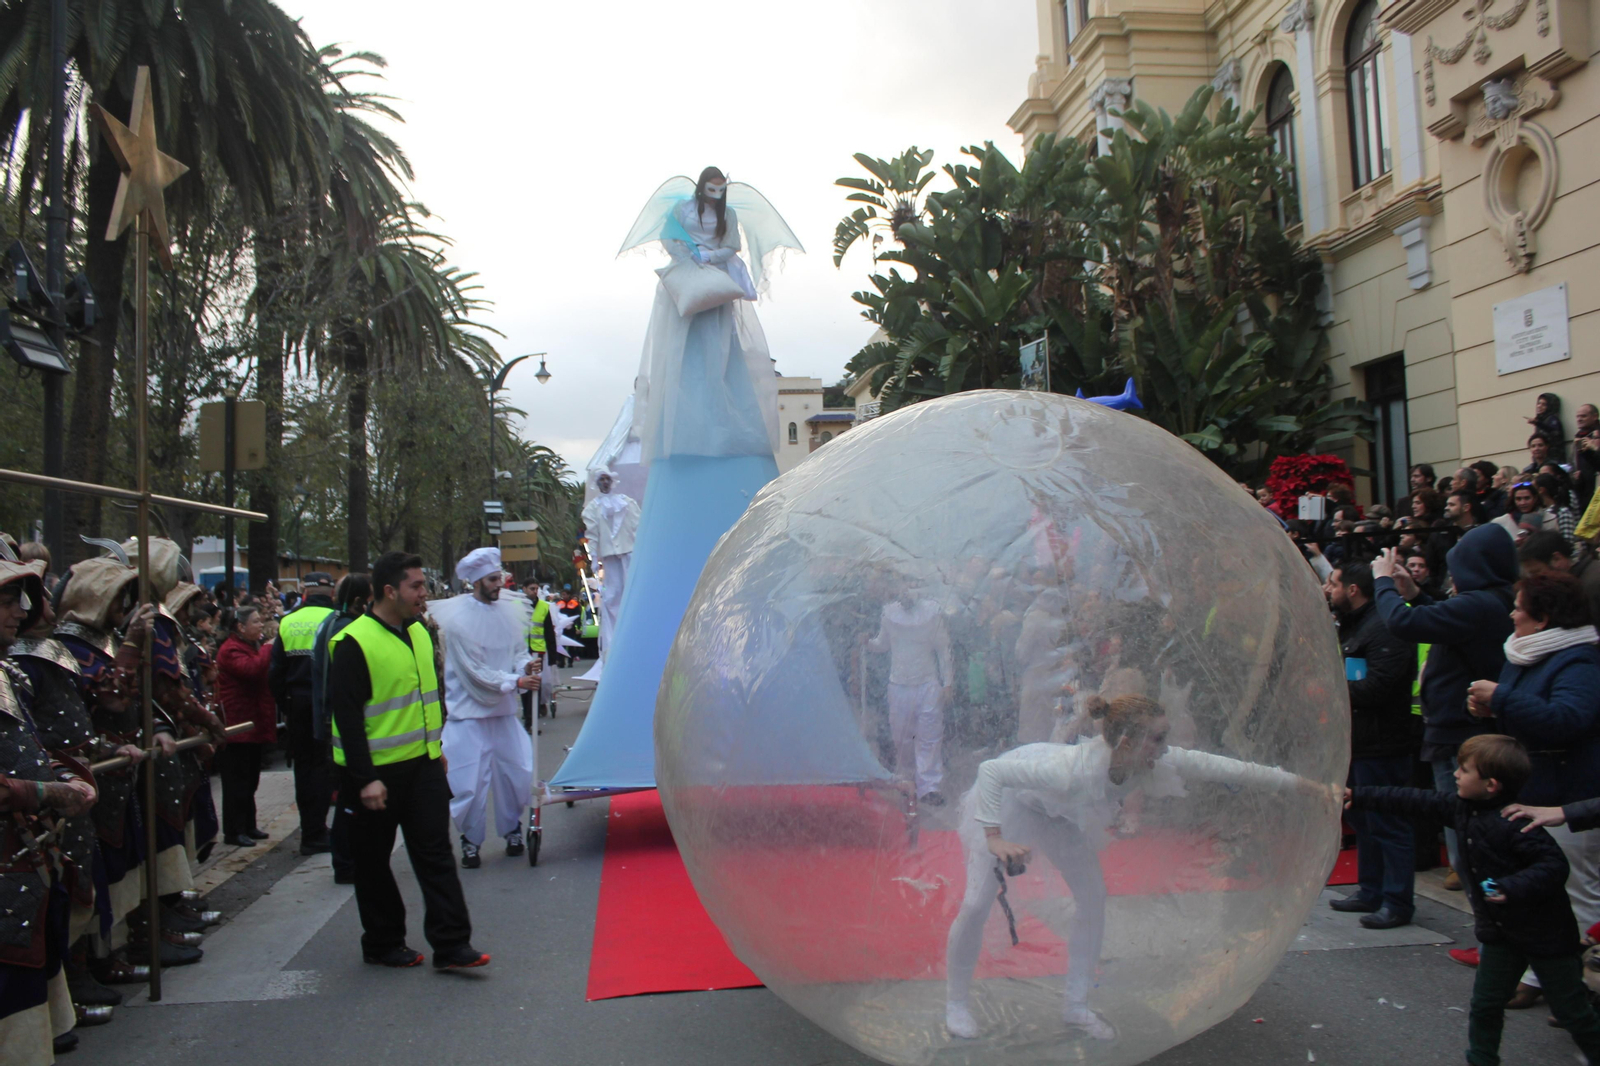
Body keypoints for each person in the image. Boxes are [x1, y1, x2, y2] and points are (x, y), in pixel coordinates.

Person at [944, 694, 1319, 1042]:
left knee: (1092, 899)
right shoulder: (1066, 770)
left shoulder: (1153, 762)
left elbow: (1219, 766)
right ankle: (955, 1003)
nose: (1166, 747)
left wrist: (1304, 786)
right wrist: (994, 837)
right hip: (1010, 807)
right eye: (1158, 738)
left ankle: (1076, 1005)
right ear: (1127, 744)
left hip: (1061, 817)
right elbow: (992, 772)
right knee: (977, 903)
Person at [1346, 734, 1600, 1065]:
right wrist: (1360, 795)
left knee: (1572, 1011)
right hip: (1500, 934)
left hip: (1547, 936)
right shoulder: (1461, 808)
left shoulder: (1517, 824)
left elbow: (1553, 866)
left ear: (1491, 784)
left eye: (1464, 770)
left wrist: (1511, 886)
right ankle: (1481, 1059)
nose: (1455, 774)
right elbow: (1412, 799)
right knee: (1485, 1005)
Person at [328, 551, 485, 970]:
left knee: (435, 854)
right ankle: (382, 942)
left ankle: (452, 945)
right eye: (415, 585)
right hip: (375, 774)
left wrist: (436, 748)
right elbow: (346, 718)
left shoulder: (419, 632)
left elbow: (425, 698)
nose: (424, 593)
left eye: (423, 584)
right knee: (373, 862)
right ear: (389, 591)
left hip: (424, 766)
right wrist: (364, 779)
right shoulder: (352, 643)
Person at [1466, 570, 1600, 1007]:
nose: (1511, 614)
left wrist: (1501, 697)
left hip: (1568, 795)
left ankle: (1576, 989)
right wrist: (1491, 712)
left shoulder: (1579, 660)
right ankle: (1544, 979)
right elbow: (1534, 715)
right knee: (1540, 890)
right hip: (1535, 792)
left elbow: (1567, 720)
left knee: (1577, 890)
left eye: (1519, 607)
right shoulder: (1528, 655)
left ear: (1541, 618)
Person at [1371, 529, 1518, 895]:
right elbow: (1444, 620)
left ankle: (1490, 936)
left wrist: (1384, 583)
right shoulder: (1492, 600)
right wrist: (1415, 595)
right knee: (1466, 833)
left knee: (1466, 835)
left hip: (1459, 733)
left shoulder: (1478, 604)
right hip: (1461, 728)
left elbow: (1402, 624)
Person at [0, 556, 98, 1061]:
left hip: (23, 861)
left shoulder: (6, 672)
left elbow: (30, 748)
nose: (18, 610)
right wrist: (48, 794)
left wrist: (64, 778)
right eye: (4, 599)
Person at [1324, 561, 1419, 928]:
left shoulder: (1384, 629)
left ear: (1352, 589)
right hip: (1360, 741)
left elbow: (1379, 687)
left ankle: (1396, 900)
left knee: (1388, 821)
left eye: (1333, 584)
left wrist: (1328, 690)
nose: (1327, 591)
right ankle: (1370, 889)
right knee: (1363, 818)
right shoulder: (1356, 624)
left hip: (1383, 742)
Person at [431, 548, 539, 869]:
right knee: (468, 783)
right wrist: (516, 682)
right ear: (477, 581)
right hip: (469, 718)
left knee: (517, 773)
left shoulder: (508, 611)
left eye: (500, 578)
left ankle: (512, 830)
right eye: (493, 579)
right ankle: (470, 840)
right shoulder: (459, 622)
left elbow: (517, 652)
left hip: (504, 714)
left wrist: (526, 665)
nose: (500, 585)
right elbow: (473, 673)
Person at [269, 572, 339, 855]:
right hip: (326, 705)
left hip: (296, 704)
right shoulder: (336, 620)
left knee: (304, 768)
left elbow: (274, 673)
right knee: (325, 768)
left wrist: (285, 706)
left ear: (305, 593)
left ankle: (309, 830)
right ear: (331, 592)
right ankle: (319, 830)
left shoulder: (287, 621)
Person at [867, 589, 953, 805]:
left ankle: (930, 786)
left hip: (928, 683)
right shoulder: (889, 614)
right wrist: (867, 642)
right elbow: (883, 644)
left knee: (930, 735)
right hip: (899, 684)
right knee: (902, 736)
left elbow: (944, 649)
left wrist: (948, 682)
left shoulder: (932, 614)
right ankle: (907, 778)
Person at [312, 573, 372, 885]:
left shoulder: (329, 624)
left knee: (348, 800)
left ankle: (347, 860)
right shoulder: (349, 630)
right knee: (349, 802)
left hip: (329, 722)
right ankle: (346, 863)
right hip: (342, 728)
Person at [215, 607, 276, 848]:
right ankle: (234, 830)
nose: (261, 625)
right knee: (236, 782)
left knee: (250, 779)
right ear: (240, 627)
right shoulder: (231, 650)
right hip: (238, 726)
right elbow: (252, 670)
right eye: (256, 621)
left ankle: (248, 825)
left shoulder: (249, 647)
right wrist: (270, 647)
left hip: (253, 723)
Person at [581, 469, 640, 666]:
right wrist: (593, 557)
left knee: (631, 590)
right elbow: (592, 534)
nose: (605, 483)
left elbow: (637, 525)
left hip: (628, 551)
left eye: (607, 479)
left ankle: (633, 631)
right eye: (601, 480)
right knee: (612, 596)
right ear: (597, 484)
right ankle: (613, 640)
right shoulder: (592, 509)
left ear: (612, 481)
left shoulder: (627, 502)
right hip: (609, 555)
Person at [1518, 530, 1600, 624]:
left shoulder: (1591, 585)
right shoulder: (1573, 584)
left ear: (1557, 558)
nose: (1534, 580)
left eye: (1536, 573)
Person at [1571, 403, 1599, 510]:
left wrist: (1593, 448)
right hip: (1582, 489)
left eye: (1583, 416)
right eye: (1578, 416)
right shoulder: (1578, 437)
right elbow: (1572, 462)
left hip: (1595, 487)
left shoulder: (1597, 435)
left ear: (1595, 416)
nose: (1579, 419)